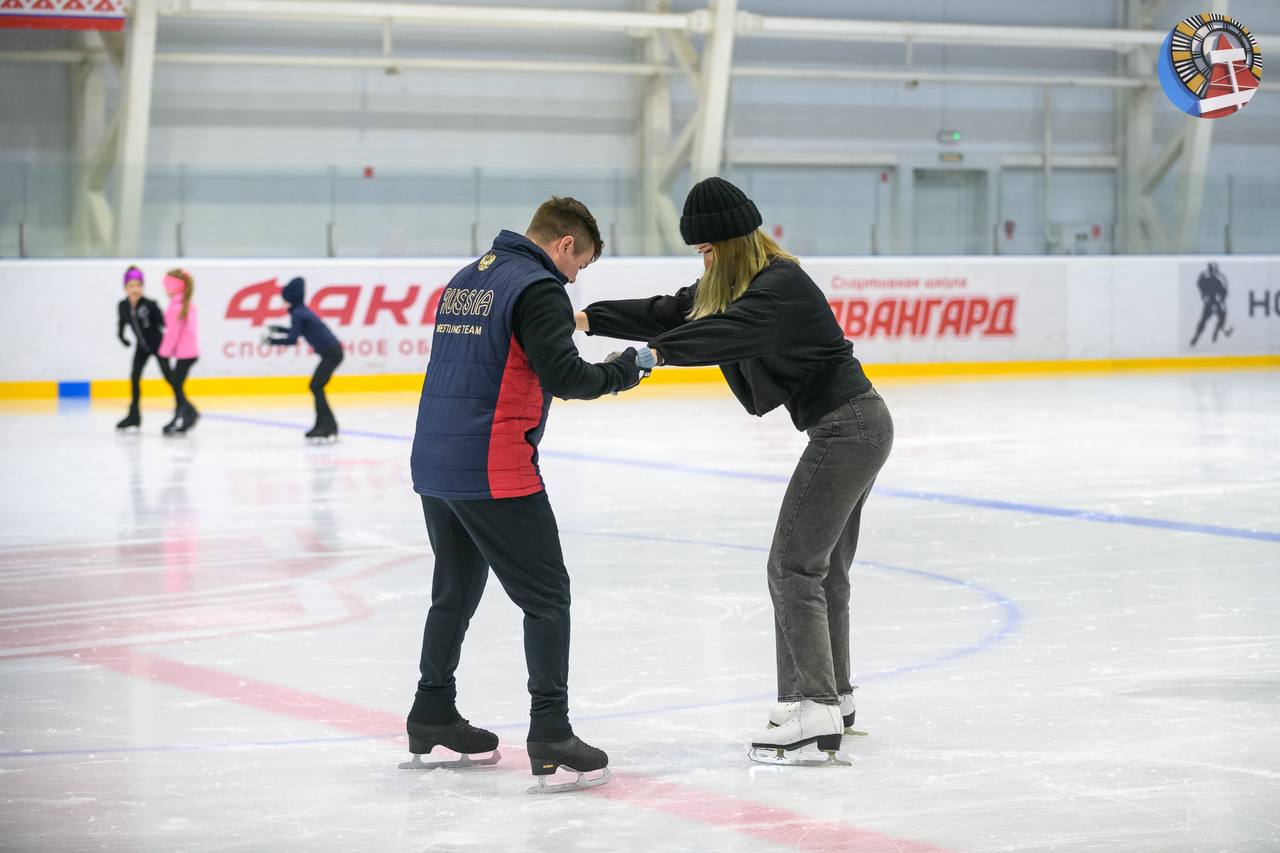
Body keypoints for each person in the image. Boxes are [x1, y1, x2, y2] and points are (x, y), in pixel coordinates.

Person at [577, 177, 893, 764]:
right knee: (821, 571)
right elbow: (671, 310)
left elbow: (725, 332)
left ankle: (815, 706)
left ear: (731, 243)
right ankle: (829, 697)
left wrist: (656, 354)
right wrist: (585, 319)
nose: (704, 261)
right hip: (856, 426)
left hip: (848, 429)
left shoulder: (779, 285)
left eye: (707, 249)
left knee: (792, 567)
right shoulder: (736, 285)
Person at [406, 197, 652, 792]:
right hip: (493, 464)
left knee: (455, 590)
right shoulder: (538, 288)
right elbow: (567, 377)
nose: (574, 280)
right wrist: (625, 370)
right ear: (564, 244)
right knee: (547, 598)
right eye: (579, 265)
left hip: (437, 459)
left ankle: (431, 710)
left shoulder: (469, 278)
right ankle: (550, 732)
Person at [264, 276, 344, 441]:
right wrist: (279, 329)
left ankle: (327, 425)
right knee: (316, 387)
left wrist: (272, 341)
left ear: (291, 298)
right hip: (332, 353)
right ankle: (325, 425)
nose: (283, 303)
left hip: (332, 354)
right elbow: (297, 332)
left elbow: (293, 339)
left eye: (284, 299)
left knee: (316, 386)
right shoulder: (301, 311)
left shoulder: (298, 313)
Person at [114, 266, 169, 430]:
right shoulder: (123, 306)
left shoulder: (150, 304)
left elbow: (164, 323)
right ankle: (134, 415)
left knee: (169, 376)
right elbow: (121, 323)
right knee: (134, 377)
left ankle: (185, 407)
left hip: (158, 345)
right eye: (131, 286)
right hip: (142, 347)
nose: (135, 289)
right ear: (125, 288)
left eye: (138, 285)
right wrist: (122, 337)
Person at [157, 269, 201, 435]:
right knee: (177, 386)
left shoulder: (176, 307)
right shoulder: (186, 305)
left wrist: (164, 352)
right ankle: (187, 414)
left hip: (185, 354)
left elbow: (172, 334)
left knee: (177, 387)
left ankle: (184, 415)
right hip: (189, 353)